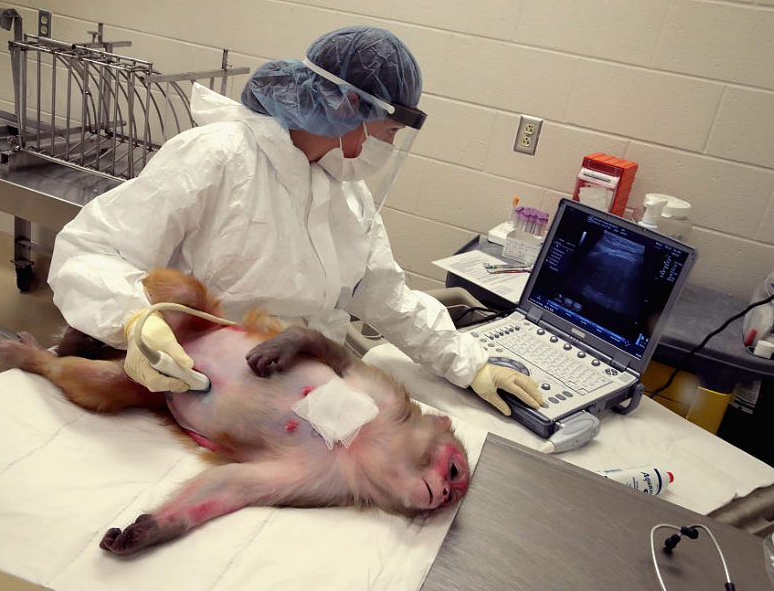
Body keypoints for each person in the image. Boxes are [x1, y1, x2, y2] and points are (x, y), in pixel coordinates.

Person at [48, 26, 542, 415]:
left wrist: (471, 364)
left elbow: (388, 299)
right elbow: (91, 251)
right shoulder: (217, 157)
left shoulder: (345, 194)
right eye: (388, 130)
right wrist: (133, 319)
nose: (387, 148)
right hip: (195, 380)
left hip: (299, 378)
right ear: (349, 106)